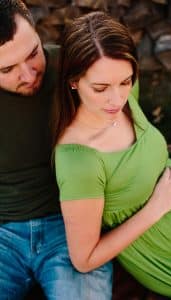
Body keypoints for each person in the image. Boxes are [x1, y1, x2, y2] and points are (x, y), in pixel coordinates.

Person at [52, 11, 171, 299]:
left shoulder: (123, 96)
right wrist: (156, 208)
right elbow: (85, 259)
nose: (117, 99)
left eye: (125, 81)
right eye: (100, 88)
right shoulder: (78, 160)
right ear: (73, 81)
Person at [0, 2, 113, 299]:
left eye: (32, 53)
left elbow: (129, 124)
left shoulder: (74, 69)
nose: (28, 74)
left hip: (72, 227)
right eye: (7, 69)